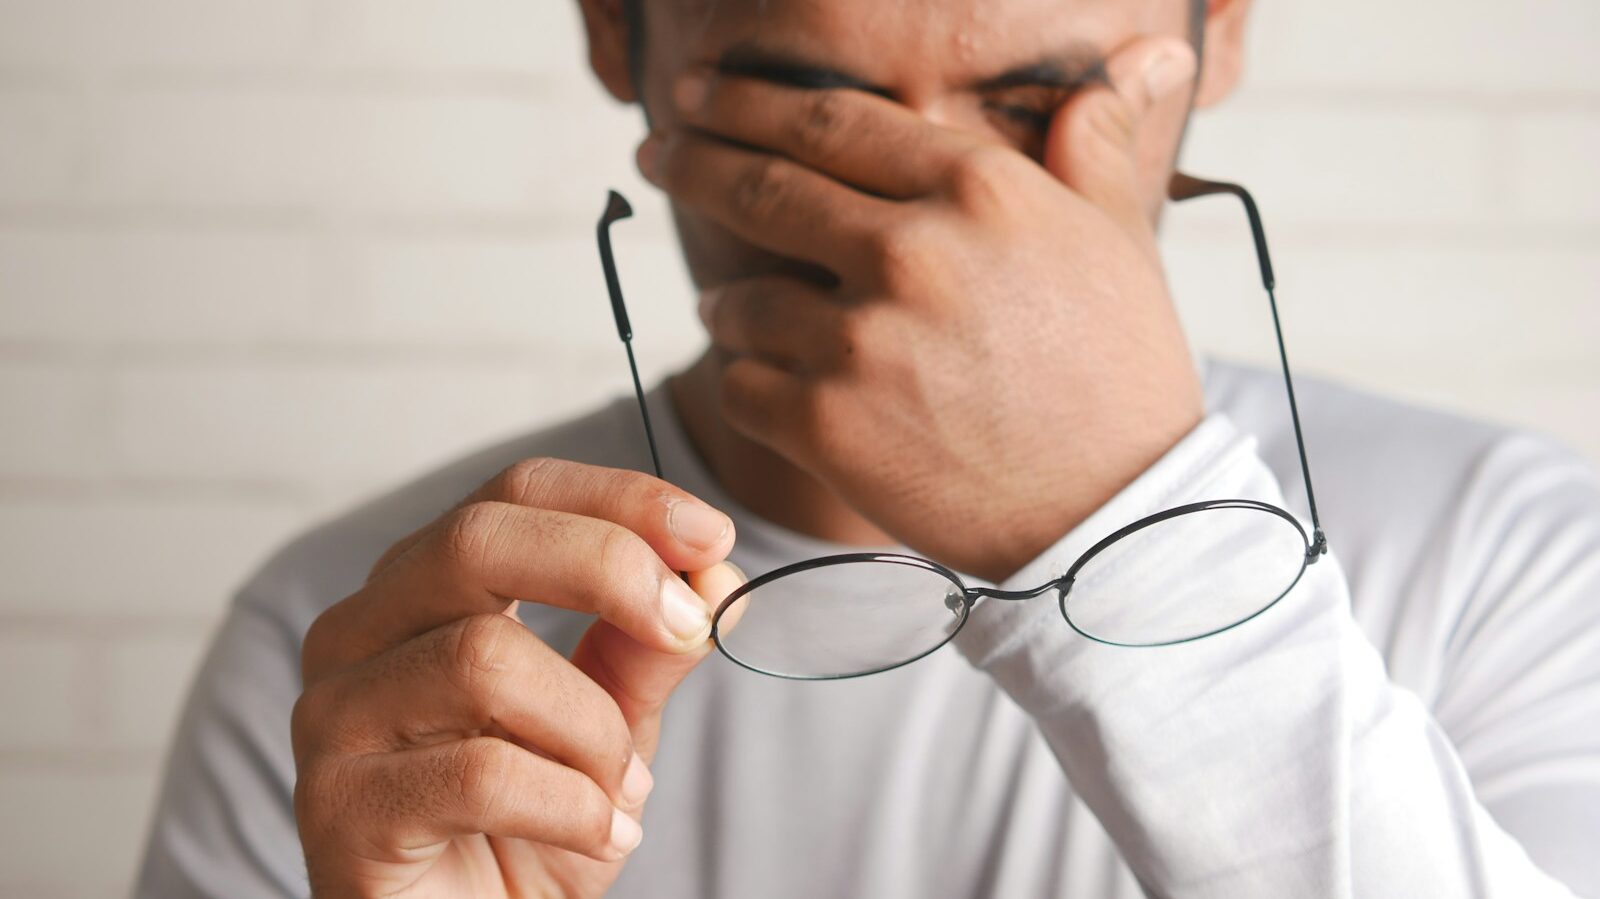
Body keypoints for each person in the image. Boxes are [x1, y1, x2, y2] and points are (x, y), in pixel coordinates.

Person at [134, 0, 1600, 896]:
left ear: (1221, 24)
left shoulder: (1512, 560)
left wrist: (1123, 517)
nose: (933, 212)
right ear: (613, 29)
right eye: (803, 112)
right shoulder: (381, 651)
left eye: (1032, 107)